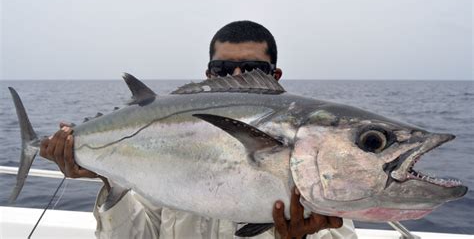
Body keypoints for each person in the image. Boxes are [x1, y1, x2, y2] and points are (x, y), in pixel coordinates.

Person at [40, 20, 358, 239]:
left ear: (274, 75)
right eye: (222, 69)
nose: (235, 77)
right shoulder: (164, 147)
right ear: (208, 74)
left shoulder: (314, 165)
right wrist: (110, 176)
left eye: (252, 70)